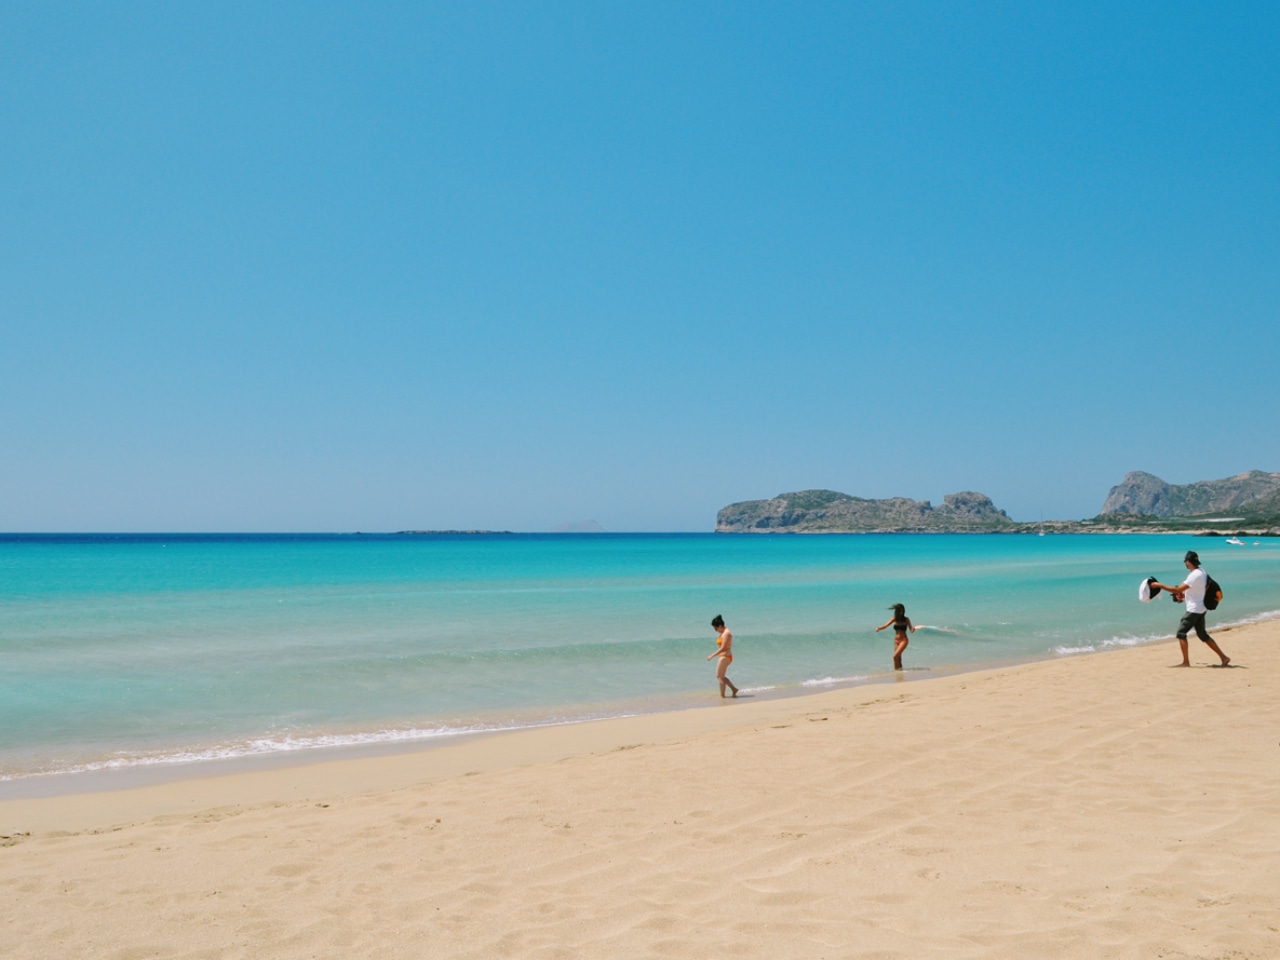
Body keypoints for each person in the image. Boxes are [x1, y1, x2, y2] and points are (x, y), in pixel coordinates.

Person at [1151, 551, 1230, 667]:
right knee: (1202, 635)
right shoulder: (1201, 572)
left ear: (1188, 562)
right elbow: (1195, 589)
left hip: (1194, 610)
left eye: (1185, 561)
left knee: (1181, 633)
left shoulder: (1194, 575)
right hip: (1201, 608)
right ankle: (1224, 657)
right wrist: (1184, 595)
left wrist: (1159, 585)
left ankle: (1186, 662)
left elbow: (1177, 589)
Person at [706, 614, 739, 698]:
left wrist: (712, 655)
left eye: (716, 628)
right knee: (721, 677)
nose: (715, 630)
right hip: (723, 657)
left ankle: (723, 696)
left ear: (720, 626)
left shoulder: (726, 634)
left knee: (719, 677)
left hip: (725, 657)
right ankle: (733, 689)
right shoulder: (724, 632)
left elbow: (723, 648)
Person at [875, 603, 915, 671]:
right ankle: (898, 672)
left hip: (904, 640)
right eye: (899, 610)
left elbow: (911, 630)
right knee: (898, 658)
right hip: (896, 641)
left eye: (902, 610)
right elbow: (885, 626)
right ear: (897, 611)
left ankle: (897, 671)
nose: (901, 612)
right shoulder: (894, 619)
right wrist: (879, 628)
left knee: (895, 656)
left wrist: (913, 629)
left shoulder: (906, 619)